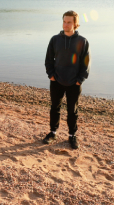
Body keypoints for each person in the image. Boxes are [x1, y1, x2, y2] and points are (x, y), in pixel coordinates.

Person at [43, 10, 90, 149]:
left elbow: (85, 63)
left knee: (72, 110)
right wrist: (51, 75)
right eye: (64, 21)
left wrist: (80, 80)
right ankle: (52, 132)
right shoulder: (55, 39)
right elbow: (48, 60)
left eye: (69, 22)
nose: (66, 24)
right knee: (54, 108)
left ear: (76, 24)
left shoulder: (82, 41)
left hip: (74, 82)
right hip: (56, 80)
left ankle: (72, 136)